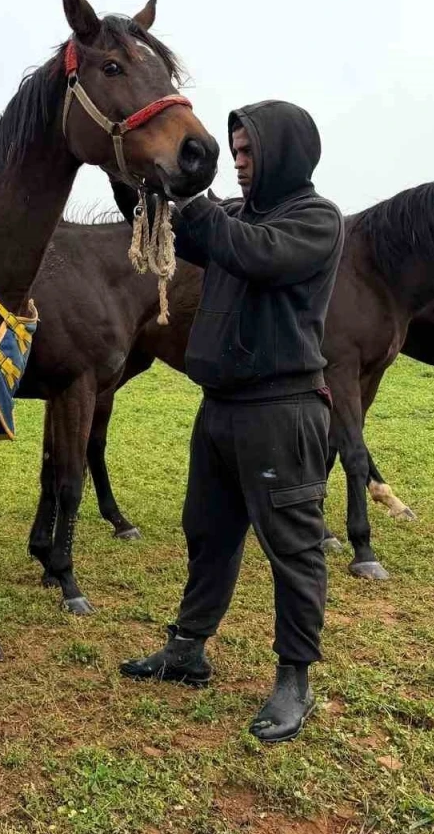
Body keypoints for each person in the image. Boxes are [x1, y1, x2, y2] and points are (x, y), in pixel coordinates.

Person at [119, 101, 344, 744]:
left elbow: (251, 253)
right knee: (208, 532)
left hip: (282, 409)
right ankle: (187, 649)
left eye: (248, 153)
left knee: (292, 550)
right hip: (220, 406)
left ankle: (294, 678)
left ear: (284, 153)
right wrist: (149, 169)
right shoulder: (237, 215)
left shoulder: (315, 220)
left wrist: (198, 200)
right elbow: (189, 230)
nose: (239, 164)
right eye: (235, 152)